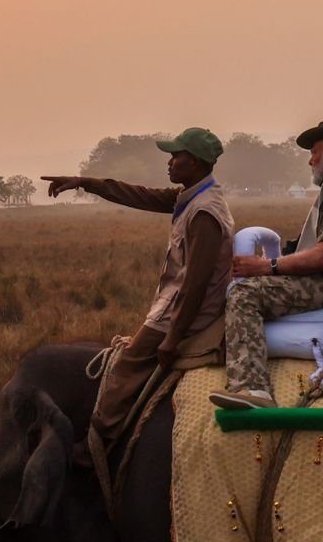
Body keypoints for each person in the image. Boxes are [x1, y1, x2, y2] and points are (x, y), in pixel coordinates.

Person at [41, 127, 233, 465]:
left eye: (177, 157)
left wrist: (172, 338)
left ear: (198, 163)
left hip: (186, 313)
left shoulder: (205, 212)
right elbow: (138, 195)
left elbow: (195, 285)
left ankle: (96, 447)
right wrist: (84, 182)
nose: (170, 163)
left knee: (126, 366)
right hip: (176, 305)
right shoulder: (189, 197)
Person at [210, 117, 323, 410]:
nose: (310, 161)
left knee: (244, 294)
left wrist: (266, 266)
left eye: (314, 153)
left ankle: (252, 389)